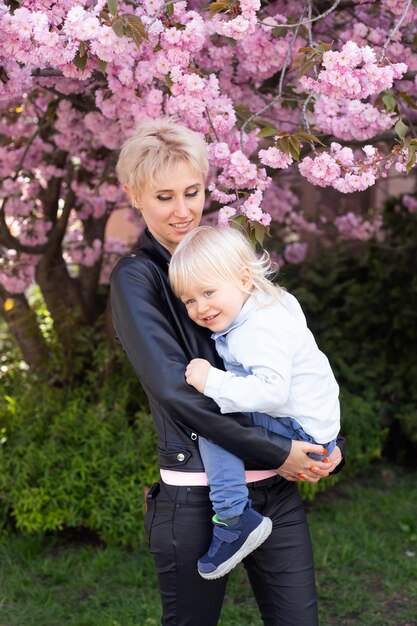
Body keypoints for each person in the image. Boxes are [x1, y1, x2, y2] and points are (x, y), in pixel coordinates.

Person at [110, 117, 345, 626]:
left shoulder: (229, 259)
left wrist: (327, 441)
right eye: (164, 196)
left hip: (276, 494)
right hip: (196, 498)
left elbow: (295, 355)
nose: (182, 211)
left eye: (192, 192)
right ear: (134, 195)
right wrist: (279, 451)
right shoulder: (139, 278)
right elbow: (178, 392)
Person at [168, 225, 341, 580]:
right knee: (221, 411)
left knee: (215, 420)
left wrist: (212, 379)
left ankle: (234, 519)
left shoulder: (255, 329)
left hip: (301, 429)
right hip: (318, 426)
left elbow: (271, 392)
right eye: (189, 300)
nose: (200, 307)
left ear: (245, 279)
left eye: (208, 292)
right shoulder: (274, 304)